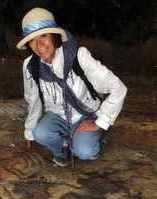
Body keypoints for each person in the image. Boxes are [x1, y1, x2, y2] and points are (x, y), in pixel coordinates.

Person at [16, 7, 127, 167]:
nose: (39, 45)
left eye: (44, 36)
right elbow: (33, 99)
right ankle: (62, 151)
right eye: (32, 39)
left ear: (54, 36)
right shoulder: (30, 66)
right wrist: (29, 131)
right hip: (58, 115)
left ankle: (90, 138)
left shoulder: (78, 56)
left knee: (85, 151)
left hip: (86, 114)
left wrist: (100, 122)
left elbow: (119, 88)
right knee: (39, 133)